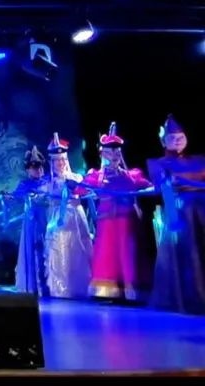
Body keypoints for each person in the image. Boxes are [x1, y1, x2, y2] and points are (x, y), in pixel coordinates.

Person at [82, 123, 153, 301]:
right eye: (109, 152)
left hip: (128, 222)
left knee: (129, 254)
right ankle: (108, 290)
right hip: (107, 222)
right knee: (108, 254)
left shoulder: (131, 175)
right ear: (102, 154)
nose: (113, 156)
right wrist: (71, 186)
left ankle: (132, 290)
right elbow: (81, 189)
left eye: (116, 152)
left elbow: (148, 186)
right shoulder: (96, 176)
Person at [147, 114, 205, 314]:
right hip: (180, 212)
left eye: (181, 137)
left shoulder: (199, 160)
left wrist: (186, 182)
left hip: (202, 211)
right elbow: (163, 186)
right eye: (172, 137)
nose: (177, 140)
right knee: (187, 255)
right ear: (164, 140)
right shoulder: (158, 163)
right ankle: (191, 298)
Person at [37, 133, 93, 299]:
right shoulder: (48, 182)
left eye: (62, 160)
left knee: (79, 250)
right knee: (60, 248)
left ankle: (82, 287)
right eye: (56, 161)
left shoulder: (76, 178)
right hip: (58, 218)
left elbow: (87, 192)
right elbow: (40, 196)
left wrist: (77, 190)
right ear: (52, 162)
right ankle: (61, 289)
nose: (60, 163)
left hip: (76, 216)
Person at [9, 146, 49, 295]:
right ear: (28, 170)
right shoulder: (24, 185)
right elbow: (15, 197)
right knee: (34, 249)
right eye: (34, 168)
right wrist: (10, 198)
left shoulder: (49, 181)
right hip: (32, 221)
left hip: (48, 218)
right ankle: (35, 285)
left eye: (39, 167)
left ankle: (51, 284)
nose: (38, 170)